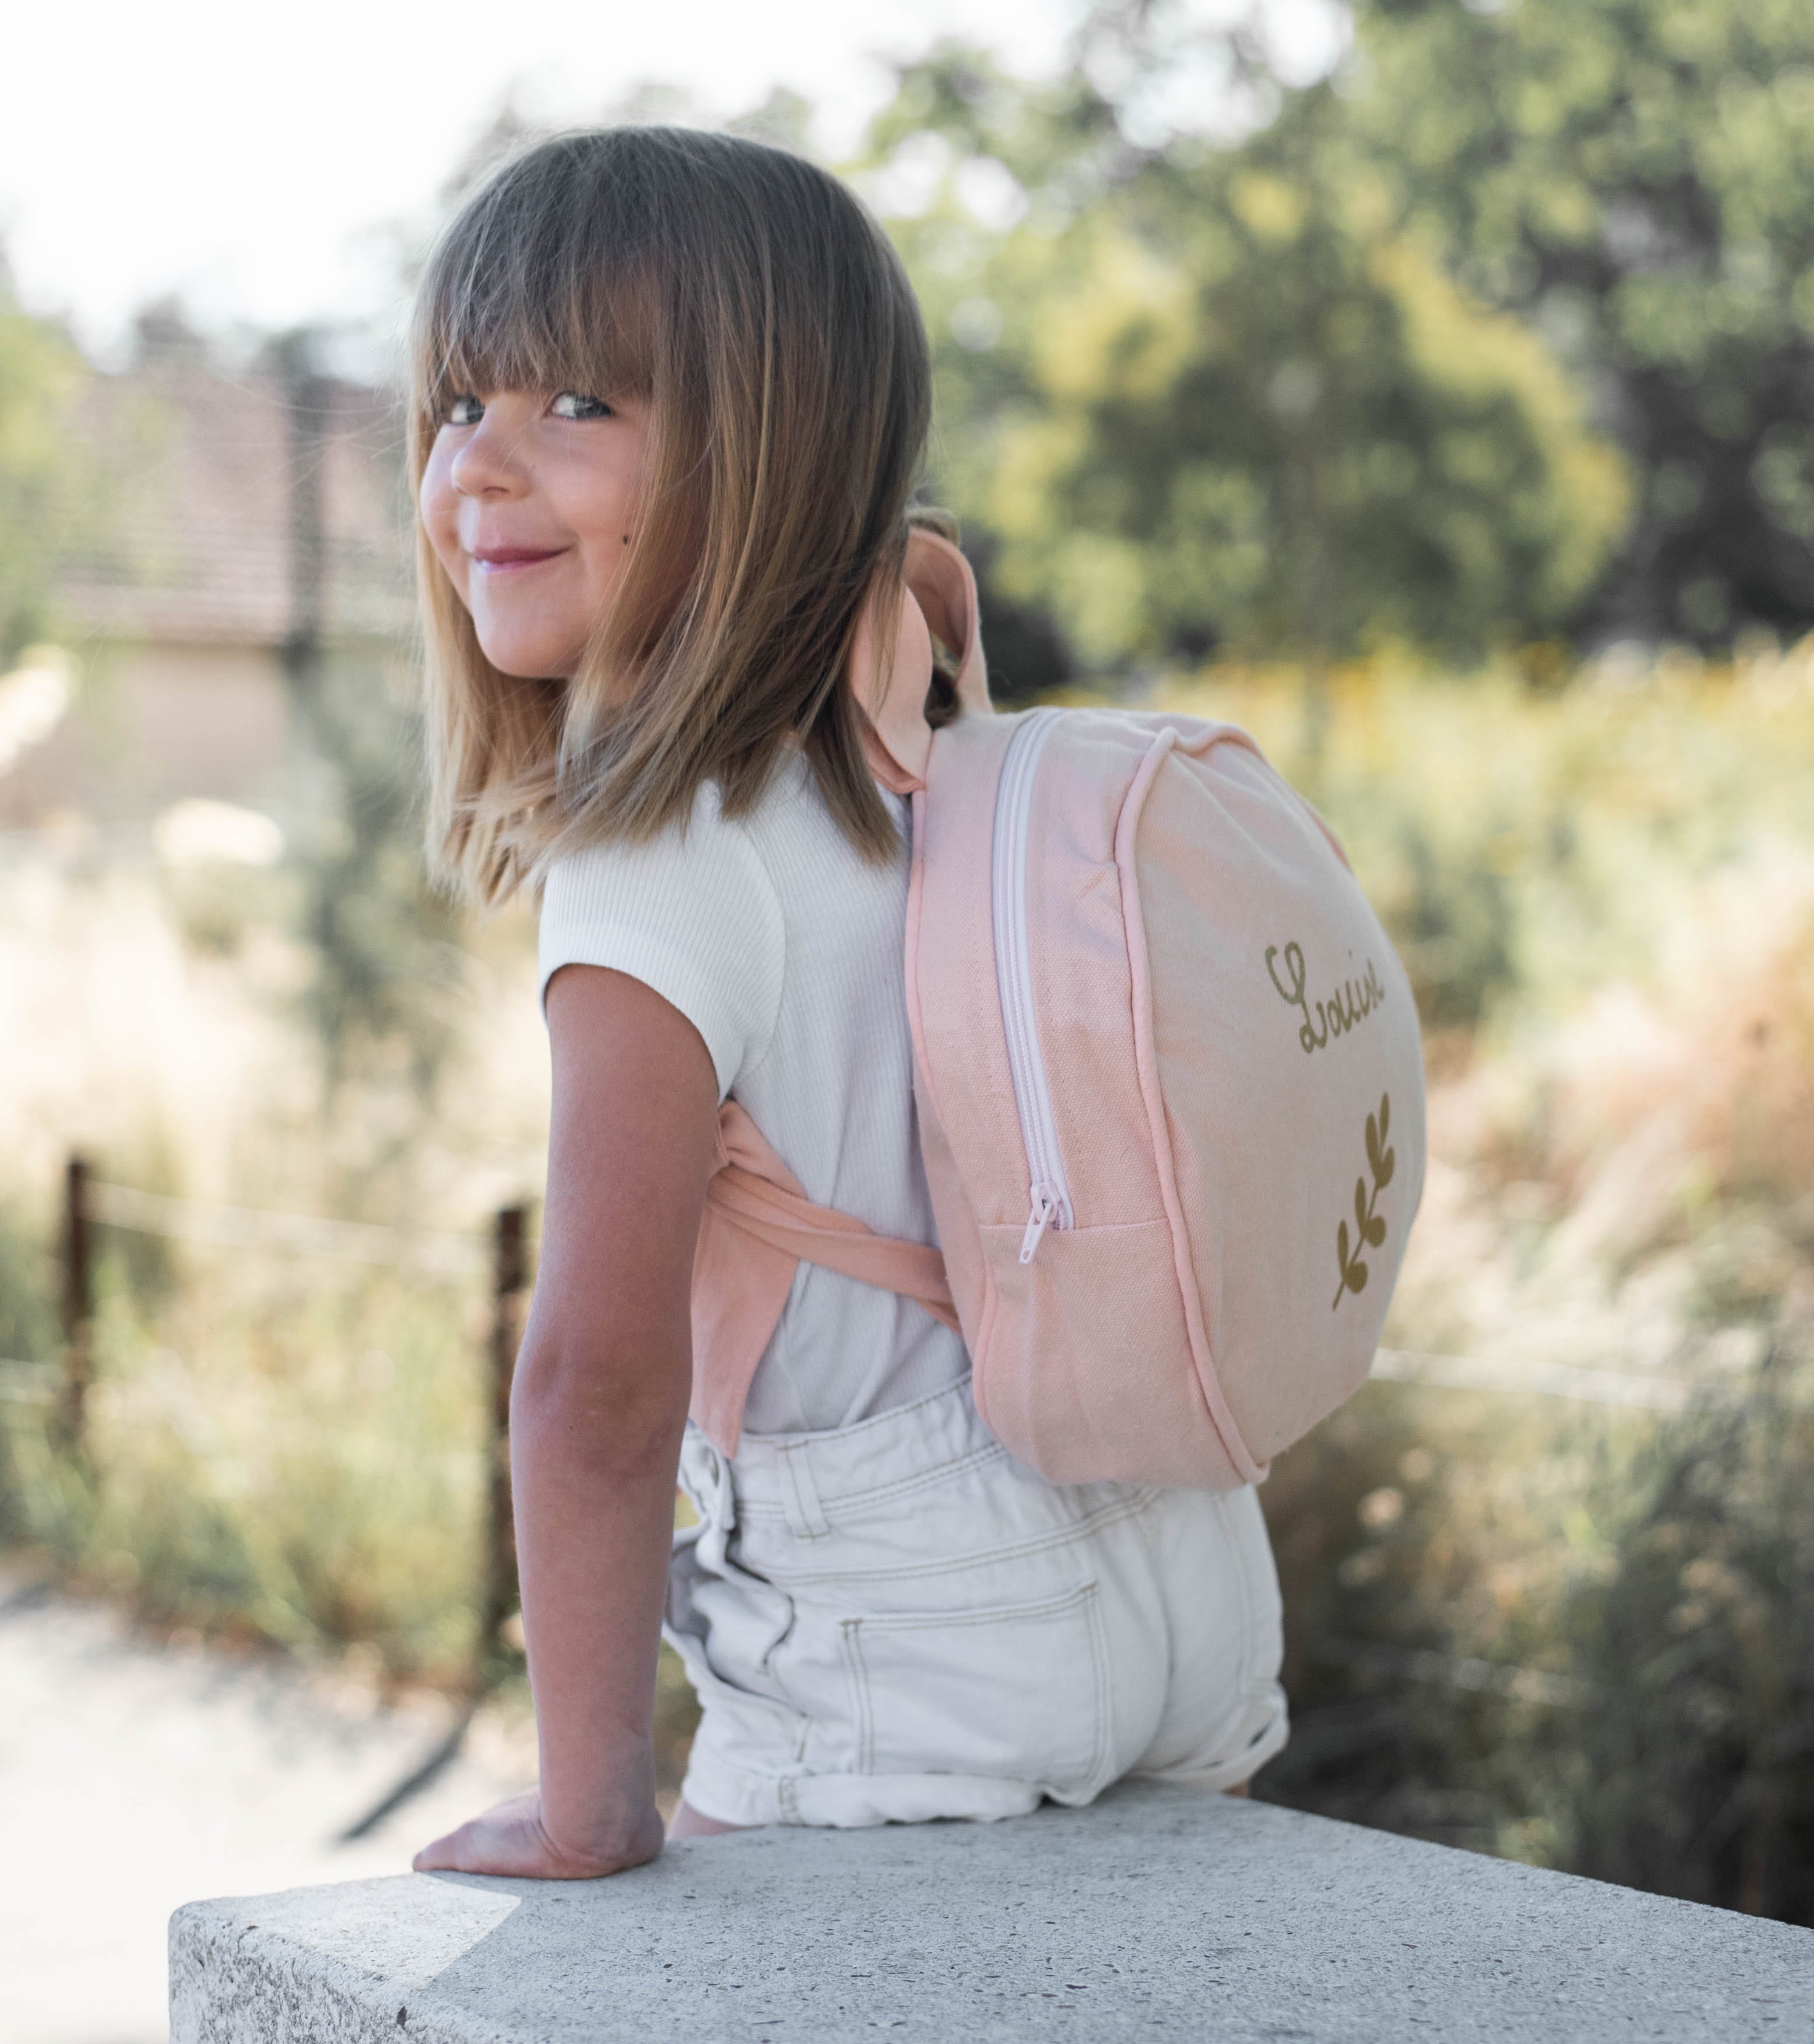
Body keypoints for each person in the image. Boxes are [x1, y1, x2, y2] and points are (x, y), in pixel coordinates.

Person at [407, 126, 1287, 1881]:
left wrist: (593, 1804)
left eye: (577, 402)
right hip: (1185, 1547)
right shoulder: (929, 720)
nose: (477, 473)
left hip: (909, 1615)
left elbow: (594, 1370)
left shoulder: (658, 848)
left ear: (765, 450)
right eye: (455, 405)